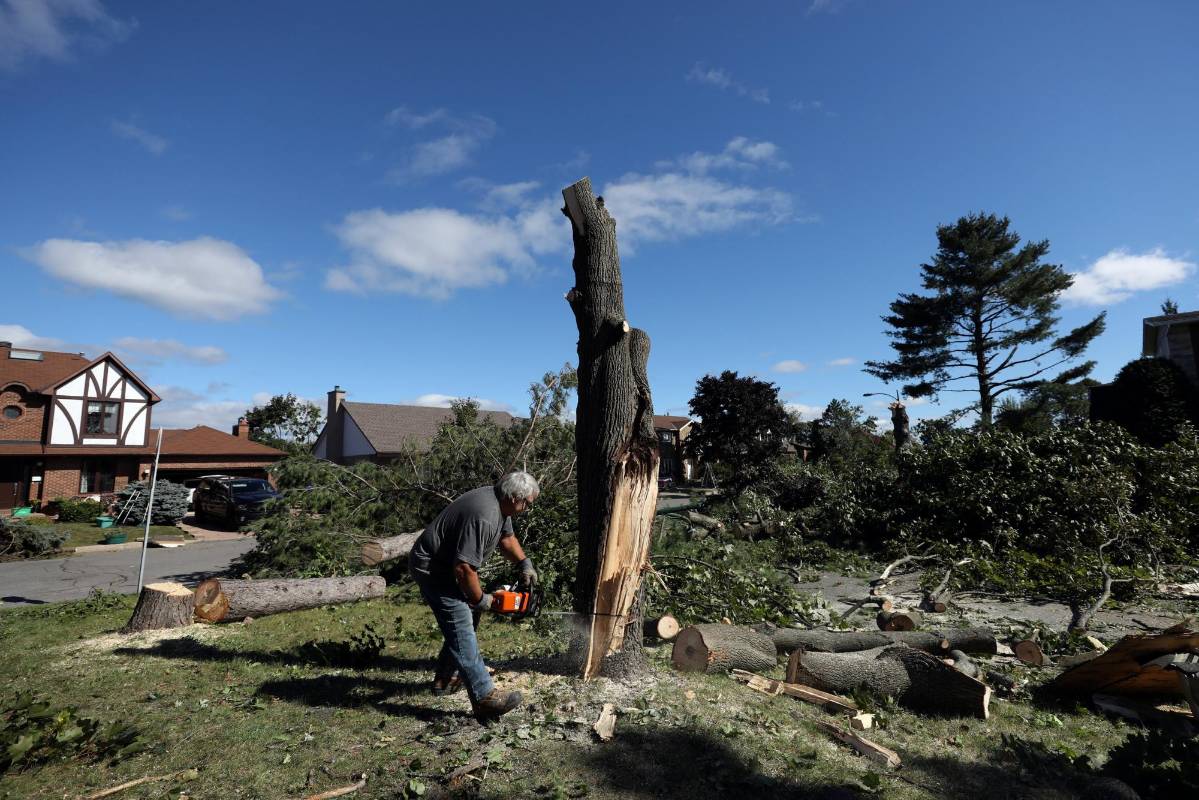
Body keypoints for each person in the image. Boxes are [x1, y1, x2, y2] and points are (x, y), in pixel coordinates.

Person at [407, 471, 539, 722]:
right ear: (514, 497)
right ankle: (484, 697)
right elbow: (464, 568)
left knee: (464, 618)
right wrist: (482, 600)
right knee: (462, 622)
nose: (526, 509)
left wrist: (524, 563)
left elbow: (507, 538)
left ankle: (446, 678)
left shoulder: (500, 506)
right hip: (434, 568)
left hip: (448, 566)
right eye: (527, 504)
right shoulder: (485, 515)